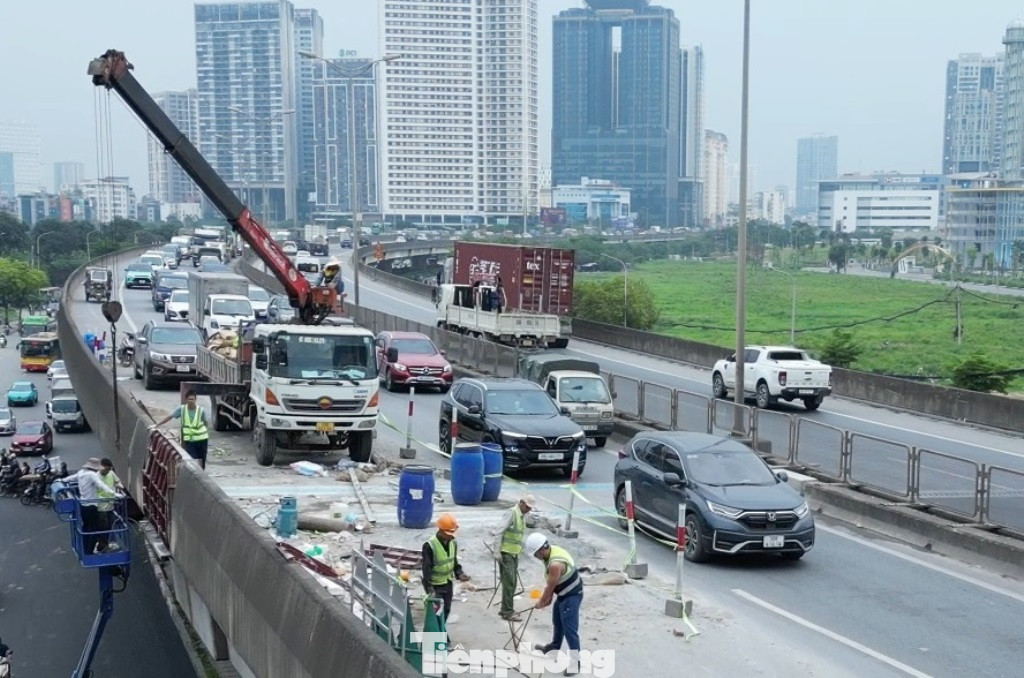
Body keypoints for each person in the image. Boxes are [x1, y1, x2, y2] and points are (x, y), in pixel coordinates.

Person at [525, 533, 583, 676]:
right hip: (563, 594)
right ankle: (554, 648)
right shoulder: (551, 552)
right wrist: (548, 597)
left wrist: (541, 602)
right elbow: (553, 584)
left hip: (571, 595)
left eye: (535, 554)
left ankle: (575, 663)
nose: (535, 557)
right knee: (557, 621)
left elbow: (550, 587)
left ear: (541, 550)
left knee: (570, 630)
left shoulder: (555, 564)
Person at [490, 494, 536, 621]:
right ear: (521, 502)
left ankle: (505, 609)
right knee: (509, 583)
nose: (528, 509)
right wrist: (496, 551)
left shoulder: (521, 515)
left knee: (511, 582)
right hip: (506, 553)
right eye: (527, 507)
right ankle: (507, 611)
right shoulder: (511, 513)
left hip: (514, 553)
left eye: (530, 508)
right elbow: (499, 532)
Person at [421, 513, 470, 623]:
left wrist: (459, 573)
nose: (452, 536)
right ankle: (436, 632)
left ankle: (442, 629)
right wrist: (429, 589)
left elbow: (454, 562)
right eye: (449, 534)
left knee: (446, 609)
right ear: (441, 531)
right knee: (435, 612)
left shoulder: (453, 543)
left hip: (447, 583)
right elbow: (426, 569)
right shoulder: (430, 545)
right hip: (435, 585)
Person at [152, 390, 210, 469]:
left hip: (202, 439)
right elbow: (170, 417)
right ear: (186, 400)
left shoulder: (201, 410)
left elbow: (205, 423)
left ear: (196, 400)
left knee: (202, 462)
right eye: (189, 399)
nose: (191, 401)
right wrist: (158, 424)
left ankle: (201, 474)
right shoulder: (182, 409)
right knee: (193, 461)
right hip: (190, 440)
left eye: (193, 399)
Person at [74, 458, 114, 554]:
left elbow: (71, 478)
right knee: (95, 529)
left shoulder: (81, 473)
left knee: (86, 527)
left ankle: (86, 549)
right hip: (92, 505)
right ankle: (90, 551)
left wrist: (60, 480)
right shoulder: (92, 475)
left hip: (84, 505)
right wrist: (114, 493)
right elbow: (101, 485)